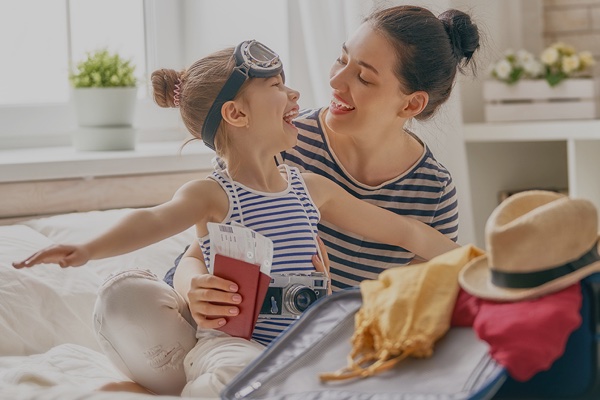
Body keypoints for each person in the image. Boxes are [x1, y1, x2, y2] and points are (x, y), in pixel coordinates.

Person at [13, 38, 460, 396]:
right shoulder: (214, 194)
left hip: (304, 341)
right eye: (278, 87)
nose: (296, 95)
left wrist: (478, 261)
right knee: (230, 374)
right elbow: (152, 221)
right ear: (235, 113)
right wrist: (87, 249)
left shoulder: (311, 188)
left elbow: (405, 231)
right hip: (234, 342)